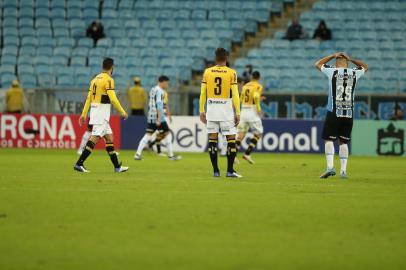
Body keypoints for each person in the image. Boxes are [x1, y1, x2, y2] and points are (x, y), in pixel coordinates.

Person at [315, 52, 368, 179]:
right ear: (347, 62)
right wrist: (352, 59)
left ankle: (330, 167)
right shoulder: (354, 72)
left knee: (329, 139)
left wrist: (333, 55)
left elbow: (318, 64)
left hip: (334, 111)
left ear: (336, 62)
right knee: (343, 142)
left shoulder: (332, 71)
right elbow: (365, 66)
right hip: (348, 113)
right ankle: (343, 171)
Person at [74, 58, 129, 173]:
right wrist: (122, 112)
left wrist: (84, 114)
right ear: (112, 67)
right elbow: (113, 99)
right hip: (101, 113)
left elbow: (89, 98)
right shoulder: (108, 80)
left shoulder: (94, 79)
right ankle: (79, 163)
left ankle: (117, 167)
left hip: (95, 110)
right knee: (94, 138)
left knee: (109, 138)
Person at [199, 47, 241, 178]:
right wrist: (238, 112)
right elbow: (235, 94)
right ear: (226, 58)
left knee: (212, 140)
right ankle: (229, 171)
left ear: (215, 58)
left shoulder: (207, 72)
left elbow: (203, 93)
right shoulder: (231, 72)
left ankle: (216, 171)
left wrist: (201, 110)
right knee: (231, 140)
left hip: (211, 110)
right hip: (226, 111)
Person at [134, 75, 180, 161]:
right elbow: (159, 105)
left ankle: (137, 154)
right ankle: (171, 156)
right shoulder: (160, 91)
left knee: (148, 135)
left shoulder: (153, 89)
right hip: (158, 116)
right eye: (166, 83)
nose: (167, 85)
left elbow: (151, 103)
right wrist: (159, 118)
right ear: (163, 82)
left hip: (151, 115)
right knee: (167, 132)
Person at [236, 71, 264, 164]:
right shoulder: (258, 86)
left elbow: (241, 99)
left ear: (252, 77)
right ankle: (247, 154)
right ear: (259, 77)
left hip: (243, 109)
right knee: (258, 133)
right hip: (252, 111)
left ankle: (233, 156)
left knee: (240, 135)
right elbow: (255, 97)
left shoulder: (245, 86)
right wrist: (259, 110)